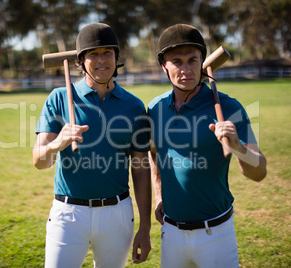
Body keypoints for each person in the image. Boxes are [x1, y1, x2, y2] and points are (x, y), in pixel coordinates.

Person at [147, 24, 267, 267]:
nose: (186, 69)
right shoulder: (155, 108)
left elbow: (259, 172)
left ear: (202, 61)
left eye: (193, 60)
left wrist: (238, 146)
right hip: (171, 233)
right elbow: (154, 153)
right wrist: (158, 194)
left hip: (216, 234)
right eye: (177, 61)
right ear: (164, 67)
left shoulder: (228, 108)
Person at [33, 23, 152, 267]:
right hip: (68, 214)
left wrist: (145, 226)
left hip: (117, 214)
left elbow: (140, 169)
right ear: (81, 60)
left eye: (107, 52)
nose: (101, 60)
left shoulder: (134, 106)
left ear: (116, 57)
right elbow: (39, 161)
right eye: (93, 54)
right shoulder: (58, 98)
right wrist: (57, 143)